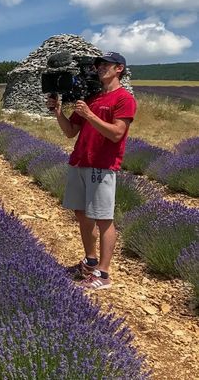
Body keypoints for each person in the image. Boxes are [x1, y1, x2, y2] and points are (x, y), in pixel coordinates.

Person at [46, 52, 136, 290]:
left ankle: (103, 274)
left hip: (102, 165)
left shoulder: (123, 98)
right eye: (98, 65)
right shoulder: (92, 97)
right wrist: (57, 112)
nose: (100, 68)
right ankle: (90, 260)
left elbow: (117, 133)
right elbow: (70, 131)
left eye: (106, 65)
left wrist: (89, 114)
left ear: (119, 69)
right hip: (80, 162)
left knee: (104, 219)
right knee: (82, 214)